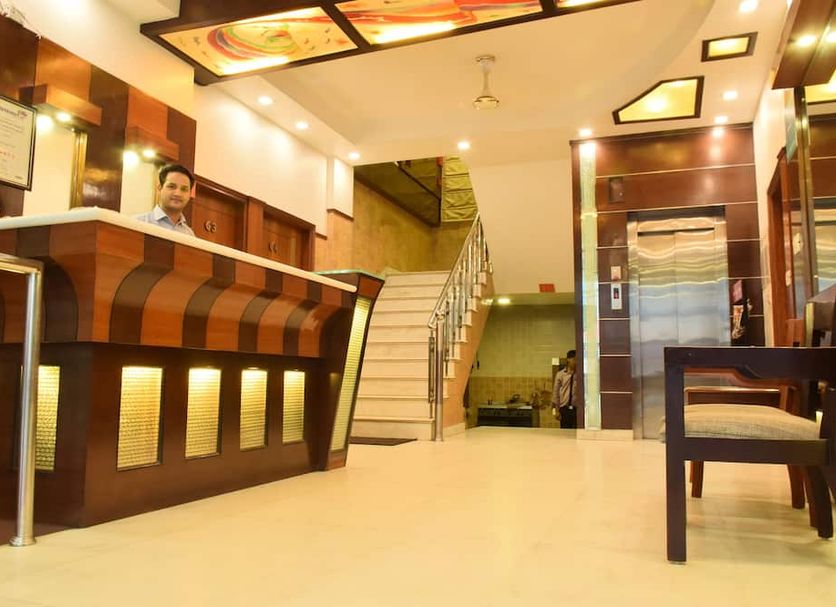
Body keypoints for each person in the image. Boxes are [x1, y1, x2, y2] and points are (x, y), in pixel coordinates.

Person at [134, 164, 196, 236]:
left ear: (189, 194)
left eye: (184, 189)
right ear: (159, 188)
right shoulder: (138, 223)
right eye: (171, 186)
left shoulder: (189, 234)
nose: (178, 193)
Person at [551, 349, 578, 429]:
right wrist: (556, 410)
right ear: (568, 359)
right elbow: (556, 393)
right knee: (565, 432)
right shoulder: (560, 375)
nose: (576, 362)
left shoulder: (580, 374)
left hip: (577, 409)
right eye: (574, 359)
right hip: (564, 409)